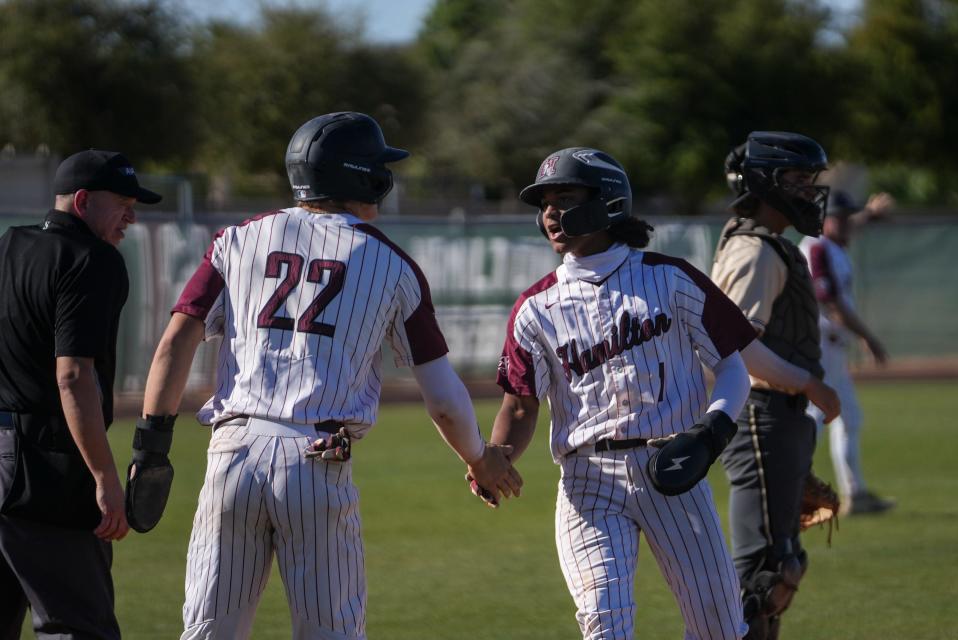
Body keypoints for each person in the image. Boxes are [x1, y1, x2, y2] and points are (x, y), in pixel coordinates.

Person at [138, 111, 520, 640]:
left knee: (208, 631)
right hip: (315, 460)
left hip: (233, 452)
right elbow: (444, 400)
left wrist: (150, 445)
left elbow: (175, 340)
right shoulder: (391, 263)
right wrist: (481, 459)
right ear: (367, 178)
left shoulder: (237, 239)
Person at [485, 147, 760, 640]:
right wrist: (498, 456)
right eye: (544, 202)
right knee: (604, 621)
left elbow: (732, 366)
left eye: (564, 197)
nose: (550, 212)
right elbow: (521, 404)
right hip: (588, 479)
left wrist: (713, 429)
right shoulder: (535, 307)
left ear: (608, 202)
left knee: (719, 625)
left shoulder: (670, 277)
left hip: (674, 466)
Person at [0, 150, 161, 639]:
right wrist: (104, 477)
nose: (131, 215)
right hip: (47, 472)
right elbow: (72, 376)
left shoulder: (10, 245)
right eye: (123, 203)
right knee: (79, 626)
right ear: (84, 201)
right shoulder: (93, 261)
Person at [711, 131, 842, 639]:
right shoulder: (756, 252)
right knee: (764, 578)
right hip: (760, 416)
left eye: (810, 180)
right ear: (764, 182)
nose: (809, 191)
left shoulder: (766, 245)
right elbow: (733, 351)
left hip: (775, 420)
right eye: (797, 179)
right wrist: (811, 385)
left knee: (777, 571)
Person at [799, 190, 895, 516]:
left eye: (846, 216)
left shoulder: (833, 245)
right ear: (822, 219)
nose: (845, 222)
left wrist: (869, 213)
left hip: (833, 349)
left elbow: (848, 225)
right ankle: (795, 488)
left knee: (847, 417)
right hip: (819, 345)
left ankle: (855, 494)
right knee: (814, 418)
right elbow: (831, 303)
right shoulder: (816, 248)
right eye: (838, 217)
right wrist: (868, 338)